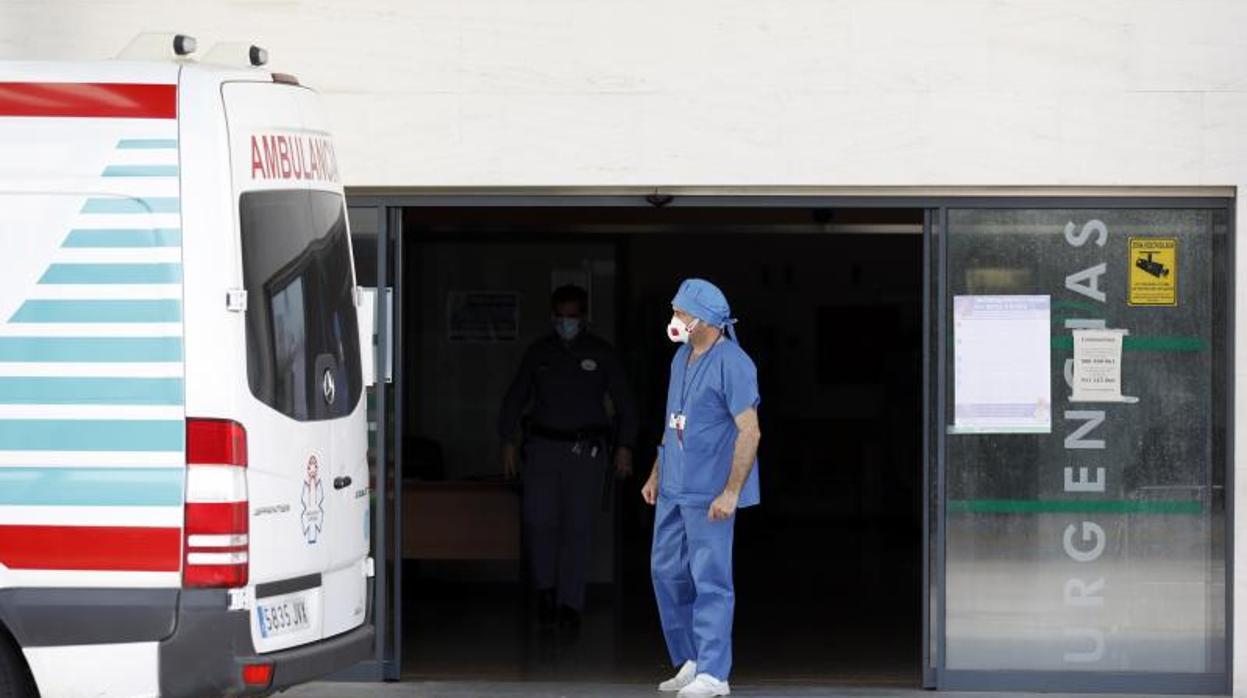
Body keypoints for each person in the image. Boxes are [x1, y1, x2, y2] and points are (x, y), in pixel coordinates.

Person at [641, 278, 761, 698]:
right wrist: (657, 472)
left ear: (706, 319)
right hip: (674, 486)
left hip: (709, 492)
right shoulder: (681, 358)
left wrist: (731, 492)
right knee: (666, 572)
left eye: (681, 313)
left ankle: (714, 673)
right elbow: (673, 420)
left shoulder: (734, 362)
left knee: (710, 579)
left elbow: (750, 432)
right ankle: (691, 659)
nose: (674, 320)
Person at [499, 284, 638, 630]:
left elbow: (626, 404)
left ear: (584, 317)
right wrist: (507, 441)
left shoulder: (601, 353)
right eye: (560, 317)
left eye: (572, 317)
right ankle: (545, 590)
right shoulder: (539, 352)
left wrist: (625, 447)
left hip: (585, 451)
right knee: (538, 521)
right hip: (543, 449)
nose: (566, 323)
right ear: (552, 316)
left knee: (579, 527)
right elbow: (516, 397)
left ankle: (570, 604)